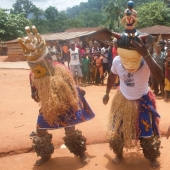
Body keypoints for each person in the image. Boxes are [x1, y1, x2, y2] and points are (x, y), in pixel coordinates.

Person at [18, 26, 95, 166]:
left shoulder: (61, 69)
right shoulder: (33, 75)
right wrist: (39, 94)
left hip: (65, 105)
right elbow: (33, 94)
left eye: (41, 62)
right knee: (40, 131)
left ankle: (81, 153)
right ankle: (45, 155)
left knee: (70, 130)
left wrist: (75, 95)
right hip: (48, 107)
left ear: (48, 58)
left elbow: (72, 88)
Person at [103, 31, 163, 169]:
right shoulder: (117, 60)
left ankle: (152, 157)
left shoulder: (146, 60)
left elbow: (159, 76)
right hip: (123, 100)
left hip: (143, 102)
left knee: (148, 135)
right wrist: (106, 92)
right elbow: (112, 76)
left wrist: (145, 54)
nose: (128, 63)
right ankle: (119, 154)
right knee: (116, 133)